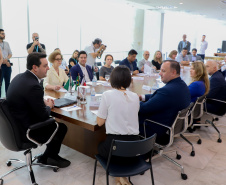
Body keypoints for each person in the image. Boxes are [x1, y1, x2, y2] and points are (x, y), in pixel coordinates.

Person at [6, 52, 70, 168]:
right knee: (60, 127)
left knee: (54, 124)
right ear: (35, 67)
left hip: (12, 128)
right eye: (45, 66)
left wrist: (42, 101)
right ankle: (50, 157)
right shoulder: (33, 86)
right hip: (27, 131)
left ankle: (46, 156)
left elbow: (26, 99)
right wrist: (48, 106)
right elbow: (44, 116)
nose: (48, 68)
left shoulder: (19, 77)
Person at [97, 65, 140, 185]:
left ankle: (119, 177)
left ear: (112, 79)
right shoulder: (135, 96)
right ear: (129, 80)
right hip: (134, 148)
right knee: (118, 149)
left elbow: (100, 122)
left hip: (114, 148)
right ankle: (121, 178)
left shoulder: (107, 95)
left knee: (100, 146)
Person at [138, 60, 191, 144]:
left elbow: (144, 108)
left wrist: (132, 100)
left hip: (155, 129)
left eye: (163, 71)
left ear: (173, 72)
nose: (160, 74)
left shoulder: (167, 91)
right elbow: (159, 98)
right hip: (169, 125)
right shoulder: (182, 85)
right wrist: (142, 97)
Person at [0, 29, 12, 98]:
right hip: (1, 66)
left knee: (8, 83)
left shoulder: (6, 43)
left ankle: (8, 99)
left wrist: (6, 59)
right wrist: (3, 61)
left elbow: (10, 54)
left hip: (7, 65)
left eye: (4, 33)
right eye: (2, 33)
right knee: (0, 83)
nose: (4, 35)